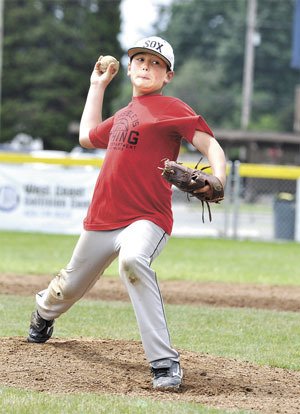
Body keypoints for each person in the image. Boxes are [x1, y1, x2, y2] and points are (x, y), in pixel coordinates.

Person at [27, 36, 227, 390]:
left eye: (156, 64)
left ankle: (164, 363)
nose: (146, 67)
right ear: (130, 68)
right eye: (140, 61)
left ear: (168, 75)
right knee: (67, 287)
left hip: (146, 218)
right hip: (102, 218)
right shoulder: (123, 115)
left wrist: (219, 179)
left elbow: (210, 145)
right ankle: (43, 313)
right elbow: (88, 136)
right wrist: (97, 85)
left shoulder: (173, 108)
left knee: (133, 262)